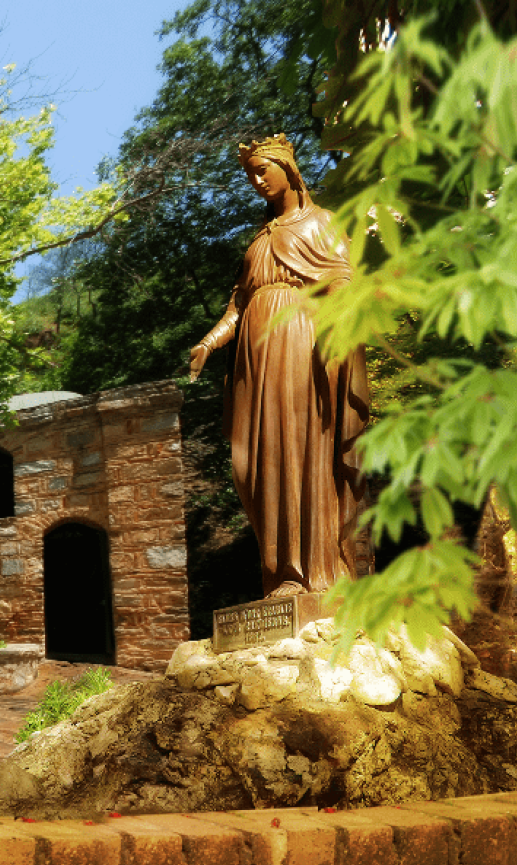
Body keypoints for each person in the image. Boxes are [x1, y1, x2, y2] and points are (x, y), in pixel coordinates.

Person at [188, 134, 370, 598]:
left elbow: (343, 279)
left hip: (301, 341)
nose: (256, 180)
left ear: (288, 169)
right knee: (260, 462)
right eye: (250, 174)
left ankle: (316, 571)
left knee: (302, 448)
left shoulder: (322, 222)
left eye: (262, 170)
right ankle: (280, 573)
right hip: (256, 359)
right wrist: (209, 342)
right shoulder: (259, 240)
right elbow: (238, 306)